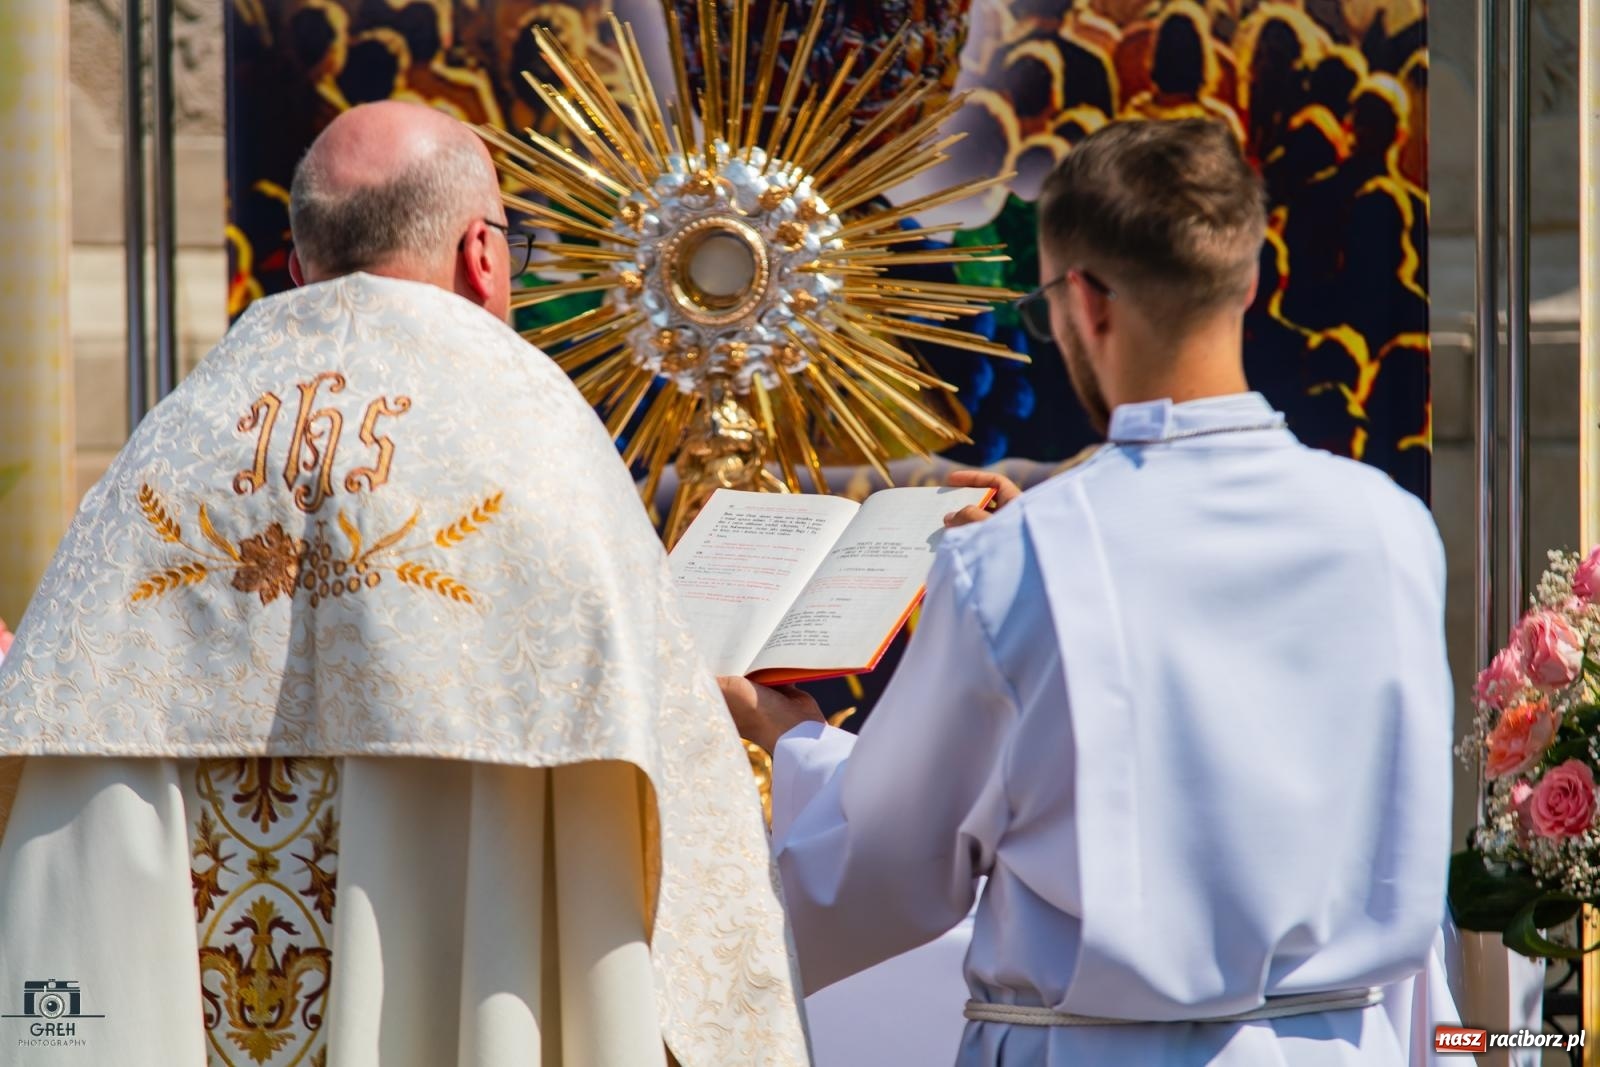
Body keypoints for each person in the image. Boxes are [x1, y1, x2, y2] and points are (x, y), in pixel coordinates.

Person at [0, 101, 807, 1066]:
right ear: (483, 255)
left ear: (297, 264)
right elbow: (681, 827)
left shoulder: (166, 452)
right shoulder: (533, 437)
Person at [720, 118, 1454, 1065]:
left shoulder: (1019, 561)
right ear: (1249, 279)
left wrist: (792, 736)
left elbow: (886, 865)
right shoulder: (1392, 529)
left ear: (1083, 304)